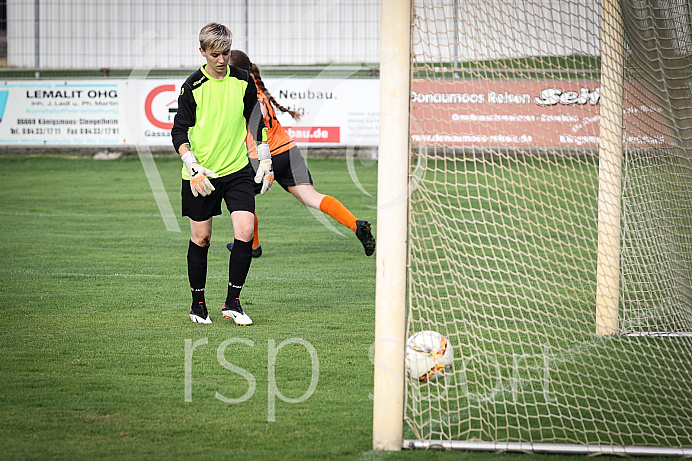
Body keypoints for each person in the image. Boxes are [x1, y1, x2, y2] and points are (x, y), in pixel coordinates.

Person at [225, 50, 375, 258]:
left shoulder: (240, 93)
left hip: (262, 155)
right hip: (288, 151)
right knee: (312, 197)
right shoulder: (257, 86)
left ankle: (253, 246)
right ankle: (355, 224)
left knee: (243, 198)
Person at [171, 23, 274, 325]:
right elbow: (178, 130)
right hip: (201, 174)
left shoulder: (243, 80)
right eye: (215, 54)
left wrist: (265, 158)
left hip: (237, 170)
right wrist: (191, 164)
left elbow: (255, 120)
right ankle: (197, 305)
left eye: (226, 53)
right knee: (201, 239)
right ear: (202, 52)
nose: (221, 59)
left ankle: (233, 303)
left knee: (244, 232)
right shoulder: (192, 86)